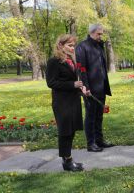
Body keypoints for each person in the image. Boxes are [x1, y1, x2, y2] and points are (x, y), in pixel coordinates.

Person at [46, 34, 87, 172]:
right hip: (62, 103)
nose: (72, 48)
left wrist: (82, 89)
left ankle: (67, 160)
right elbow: (51, 83)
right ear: (60, 46)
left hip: (73, 100)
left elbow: (74, 81)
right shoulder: (53, 62)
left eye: (73, 45)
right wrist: (73, 84)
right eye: (69, 45)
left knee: (71, 131)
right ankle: (67, 161)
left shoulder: (71, 60)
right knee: (65, 132)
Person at [75, 24, 113, 152]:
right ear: (91, 33)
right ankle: (90, 144)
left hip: (101, 86)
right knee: (90, 116)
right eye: (99, 34)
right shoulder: (82, 46)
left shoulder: (99, 46)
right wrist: (85, 87)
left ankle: (99, 140)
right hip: (90, 88)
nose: (100, 36)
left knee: (99, 116)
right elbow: (81, 69)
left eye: (101, 34)